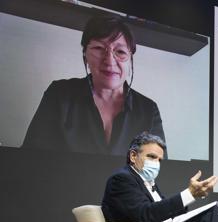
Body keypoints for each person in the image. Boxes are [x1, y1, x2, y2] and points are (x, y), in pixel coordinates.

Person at [22, 16, 165, 155]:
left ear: (130, 59)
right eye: (98, 48)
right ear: (85, 54)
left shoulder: (148, 110)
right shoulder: (59, 94)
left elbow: (157, 171)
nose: (109, 61)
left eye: (120, 51)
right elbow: (31, 158)